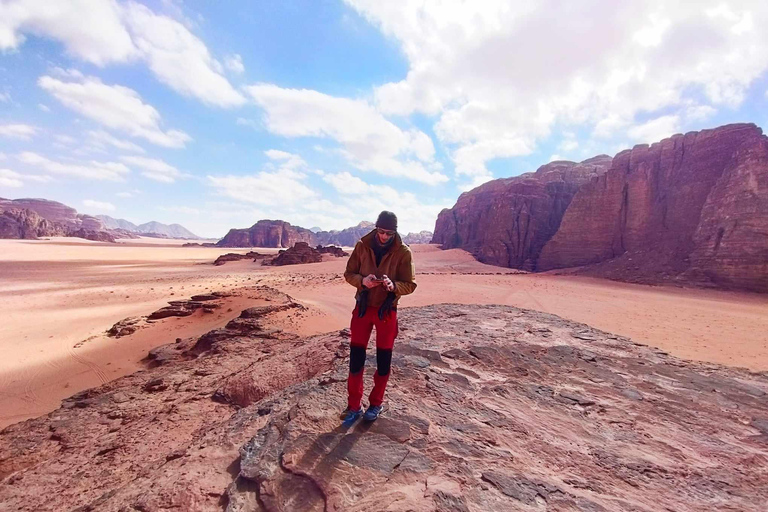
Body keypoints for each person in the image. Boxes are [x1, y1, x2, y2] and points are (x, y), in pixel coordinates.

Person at [341, 210, 416, 427]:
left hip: (386, 312)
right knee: (356, 359)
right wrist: (363, 282)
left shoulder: (404, 252)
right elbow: (349, 274)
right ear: (376, 228)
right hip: (363, 309)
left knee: (383, 361)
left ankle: (376, 404)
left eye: (389, 233)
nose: (384, 236)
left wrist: (394, 286)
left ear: (395, 232)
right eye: (381, 231)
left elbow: (409, 284)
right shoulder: (362, 246)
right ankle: (354, 406)